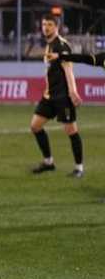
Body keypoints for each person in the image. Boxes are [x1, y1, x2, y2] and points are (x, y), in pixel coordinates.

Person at [30, 16, 85, 178]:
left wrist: (73, 92)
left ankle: (79, 168)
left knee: (71, 130)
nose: (46, 27)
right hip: (49, 96)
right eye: (44, 24)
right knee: (35, 126)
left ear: (57, 27)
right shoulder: (49, 45)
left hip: (62, 96)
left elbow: (69, 70)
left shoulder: (61, 46)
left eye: (50, 25)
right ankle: (48, 162)